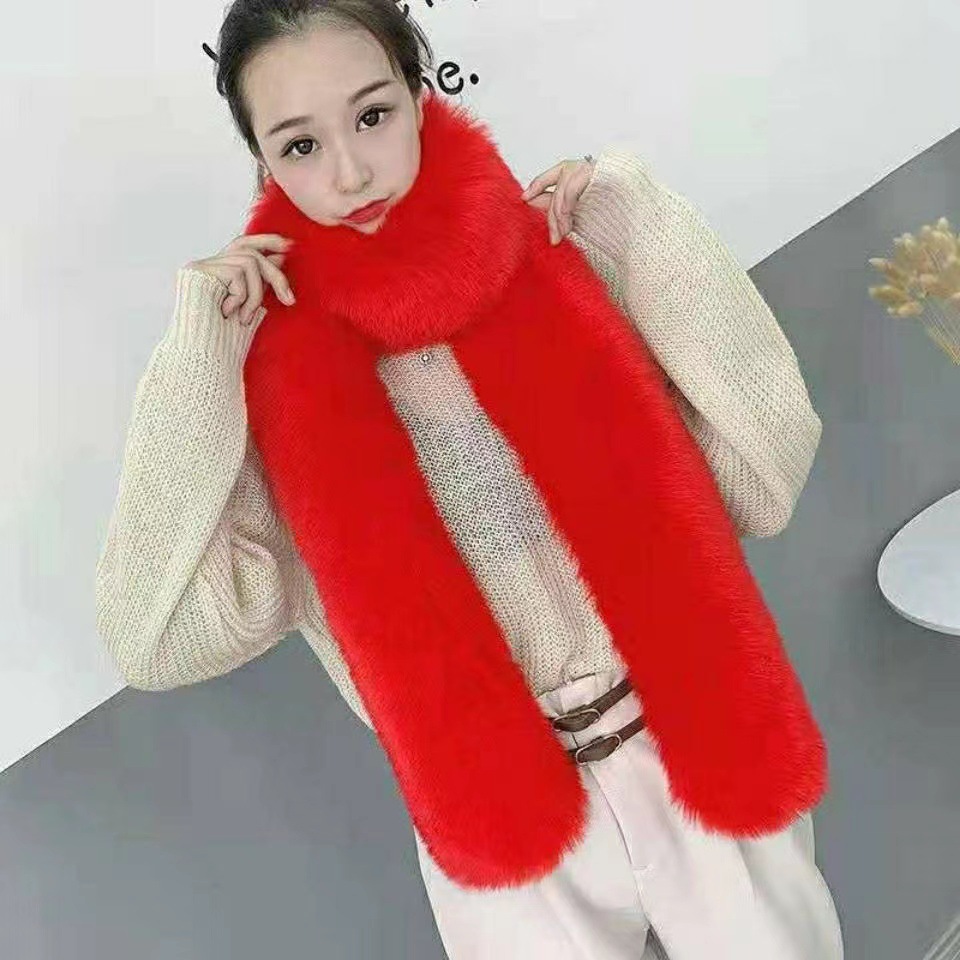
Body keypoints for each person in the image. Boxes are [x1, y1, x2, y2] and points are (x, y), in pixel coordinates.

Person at [94, 1, 844, 957]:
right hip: (500, 819)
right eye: (300, 145)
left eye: (372, 115)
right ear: (263, 161)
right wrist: (197, 356)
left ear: (419, 97)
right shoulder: (264, 380)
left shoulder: (560, 252)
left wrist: (639, 225)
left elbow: (767, 469)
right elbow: (153, 641)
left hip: (698, 733)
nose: (350, 172)